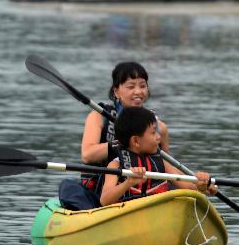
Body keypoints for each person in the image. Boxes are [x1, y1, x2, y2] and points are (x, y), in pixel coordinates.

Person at [57, 61, 169, 210]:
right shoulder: (98, 116)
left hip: (141, 193)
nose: (138, 92)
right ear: (116, 91)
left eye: (142, 86)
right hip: (100, 192)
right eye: (131, 86)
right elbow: (87, 155)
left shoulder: (159, 127)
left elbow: (165, 165)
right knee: (68, 187)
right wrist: (122, 144)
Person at [100, 106, 217, 206]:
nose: (158, 137)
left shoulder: (161, 163)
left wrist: (201, 185)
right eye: (153, 132)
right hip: (126, 215)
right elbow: (104, 200)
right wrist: (128, 183)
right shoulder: (116, 164)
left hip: (158, 212)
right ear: (136, 141)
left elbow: (190, 188)